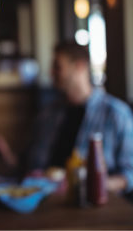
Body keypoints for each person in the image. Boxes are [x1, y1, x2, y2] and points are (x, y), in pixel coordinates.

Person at [26, 41, 133, 194]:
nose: (51, 73)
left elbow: (130, 174)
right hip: (41, 199)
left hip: (91, 205)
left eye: (57, 67)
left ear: (80, 66)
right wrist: (8, 159)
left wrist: (98, 185)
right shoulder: (48, 114)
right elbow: (31, 166)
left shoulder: (117, 114)